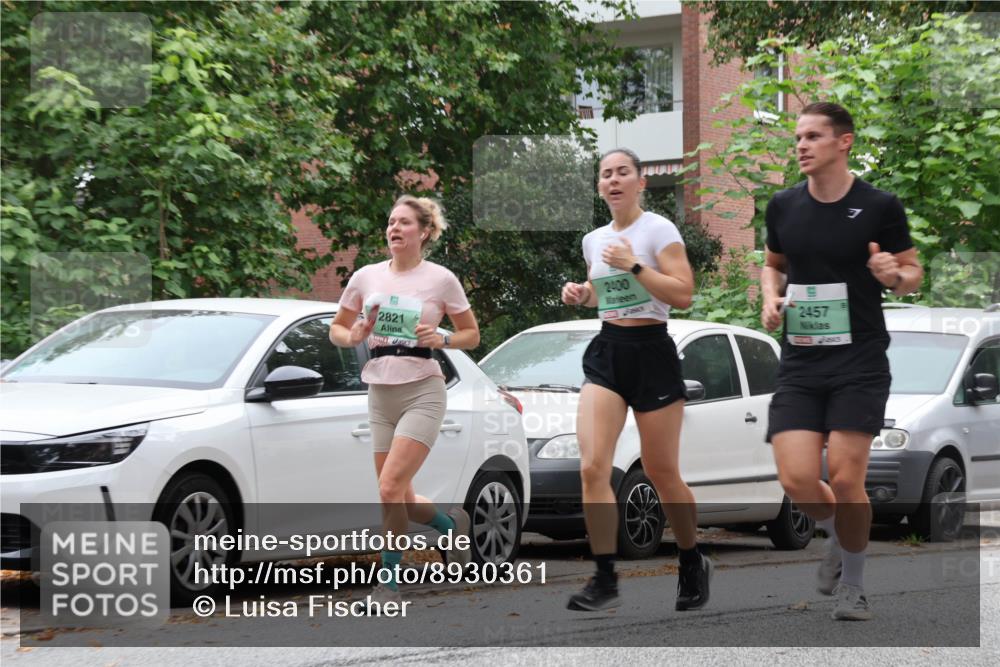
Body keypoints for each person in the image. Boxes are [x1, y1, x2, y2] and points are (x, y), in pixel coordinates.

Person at [760, 102, 923, 621]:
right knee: (796, 479)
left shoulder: (879, 206)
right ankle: (840, 535)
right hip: (802, 361)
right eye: (797, 138)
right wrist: (770, 297)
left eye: (812, 136)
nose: (801, 146)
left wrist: (890, 273)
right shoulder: (783, 206)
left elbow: (914, 273)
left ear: (844, 142)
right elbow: (774, 266)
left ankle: (853, 584)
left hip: (860, 360)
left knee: (849, 478)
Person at [561, 148, 710, 612]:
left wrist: (635, 266)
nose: (613, 180)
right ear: (600, 186)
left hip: (653, 353)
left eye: (623, 172)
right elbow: (602, 295)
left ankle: (691, 558)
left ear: (640, 182)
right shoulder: (593, 240)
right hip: (608, 351)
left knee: (663, 472)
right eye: (605, 174)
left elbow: (683, 293)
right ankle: (604, 577)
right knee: (592, 467)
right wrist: (583, 294)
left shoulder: (658, 230)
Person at [330, 195, 481, 602]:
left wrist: (444, 337)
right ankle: (450, 528)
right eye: (391, 222)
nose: (394, 228)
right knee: (401, 495)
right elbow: (337, 329)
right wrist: (355, 335)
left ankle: (388, 584)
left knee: (389, 487)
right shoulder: (366, 277)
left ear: (425, 231)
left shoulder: (441, 279)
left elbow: (472, 334)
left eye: (404, 223)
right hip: (379, 391)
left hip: (423, 391)